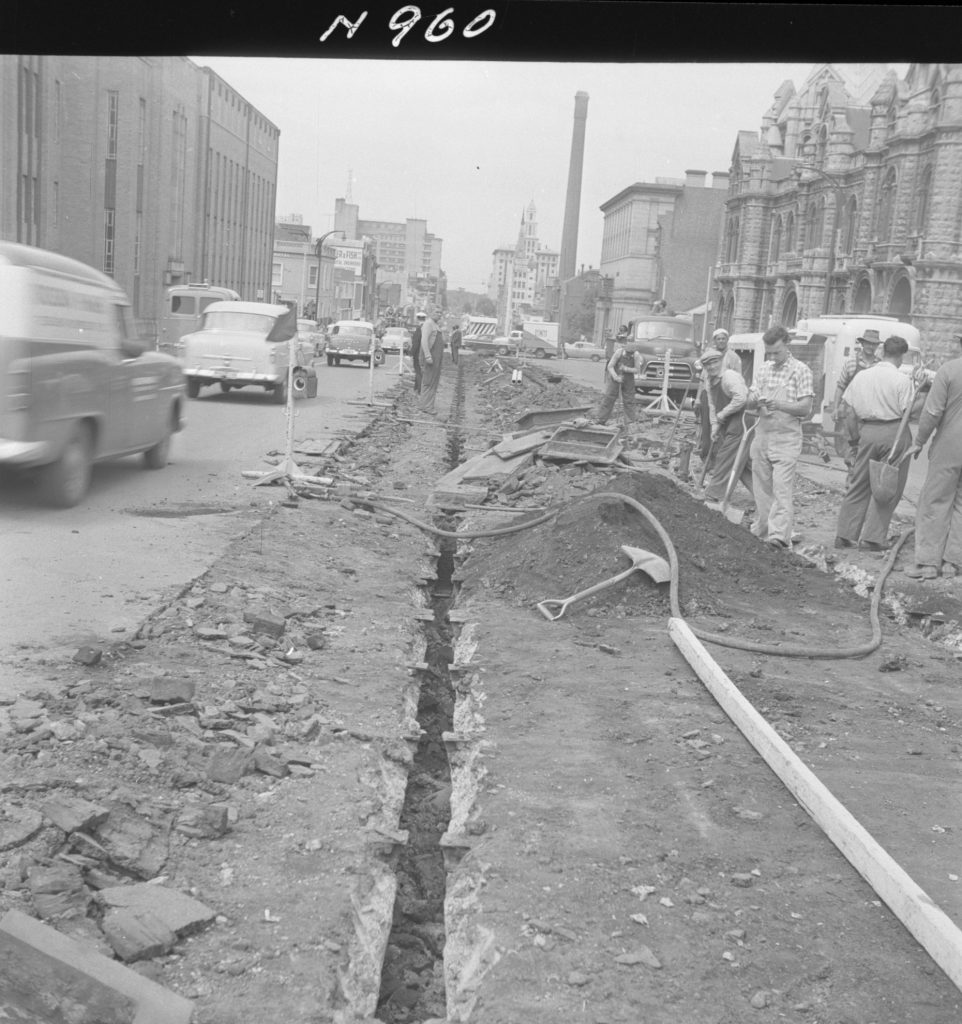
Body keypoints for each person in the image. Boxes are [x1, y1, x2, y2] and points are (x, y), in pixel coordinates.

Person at [834, 336, 918, 552]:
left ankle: (844, 535)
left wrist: (854, 441)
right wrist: (922, 392)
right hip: (894, 432)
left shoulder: (862, 376)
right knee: (888, 485)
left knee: (859, 483)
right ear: (900, 356)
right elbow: (908, 412)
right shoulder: (901, 380)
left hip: (867, 431)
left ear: (882, 352)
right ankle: (872, 538)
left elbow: (849, 413)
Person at [746, 324, 814, 548]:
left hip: (786, 437)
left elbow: (805, 407)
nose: (773, 357)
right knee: (761, 487)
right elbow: (750, 399)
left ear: (787, 344)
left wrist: (780, 404)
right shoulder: (764, 369)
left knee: (781, 488)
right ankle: (763, 529)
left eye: (777, 352)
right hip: (763, 433)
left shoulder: (800, 370)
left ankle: (778, 536)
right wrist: (755, 401)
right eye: (770, 352)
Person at [904, 333, 962, 579]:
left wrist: (919, 441)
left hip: (949, 447)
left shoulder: (948, 370)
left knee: (935, 501)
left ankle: (928, 562)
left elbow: (933, 411)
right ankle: (953, 562)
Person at [698, 348, 753, 503]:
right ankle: (763, 495)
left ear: (721, 361)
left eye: (714, 362)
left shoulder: (729, 376)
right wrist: (715, 426)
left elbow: (741, 398)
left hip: (743, 419)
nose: (711, 367)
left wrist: (722, 414)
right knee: (740, 463)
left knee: (724, 456)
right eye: (707, 365)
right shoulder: (709, 381)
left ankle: (714, 495)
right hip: (729, 420)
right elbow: (712, 405)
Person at [832, 329, 882, 468]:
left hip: (871, 416)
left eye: (874, 344)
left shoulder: (879, 365)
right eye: (868, 344)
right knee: (851, 452)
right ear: (862, 344)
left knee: (868, 453)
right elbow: (841, 386)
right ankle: (851, 482)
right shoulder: (851, 363)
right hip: (852, 414)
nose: (871, 347)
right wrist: (836, 408)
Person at [595, 337, 641, 427]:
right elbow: (610, 366)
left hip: (628, 379)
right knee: (609, 398)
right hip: (616, 377)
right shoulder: (618, 352)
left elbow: (637, 370)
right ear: (625, 349)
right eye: (628, 353)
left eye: (631, 353)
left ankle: (630, 422)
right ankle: (601, 419)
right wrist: (616, 377)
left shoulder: (636, 355)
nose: (629, 355)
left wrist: (626, 369)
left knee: (629, 400)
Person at [416, 307, 445, 416]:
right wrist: (428, 356)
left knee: (433, 382)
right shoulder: (428, 324)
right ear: (430, 313)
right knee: (428, 382)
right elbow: (424, 340)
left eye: (440, 312)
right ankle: (426, 406)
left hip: (437, 358)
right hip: (431, 357)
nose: (439, 314)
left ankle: (427, 405)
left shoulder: (436, 325)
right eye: (436, 312)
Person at [410, 312, 425, 393]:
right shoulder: (425, 328)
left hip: (418, 354)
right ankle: (416, 387)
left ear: (418, 319)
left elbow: (416, 343)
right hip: (423, 353)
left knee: (418, 371)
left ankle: (419, 389)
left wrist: (411, 353)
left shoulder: (419, 329)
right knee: (418, 371)